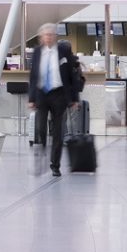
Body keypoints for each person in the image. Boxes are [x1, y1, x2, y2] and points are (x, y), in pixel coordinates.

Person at [27, 24, 84, 176]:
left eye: (51, 35)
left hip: (59, 94)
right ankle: (41, 155)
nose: (49, 38)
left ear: (55, 37)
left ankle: (55, 164)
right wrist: (31, 98)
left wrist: (74, 98)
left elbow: (73, 75)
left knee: (58, 131)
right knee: (40, 128)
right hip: (41, 94)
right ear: (41, 38)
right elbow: (33, 76)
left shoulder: (64, 51)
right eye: (46, 35)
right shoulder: (37, 52)